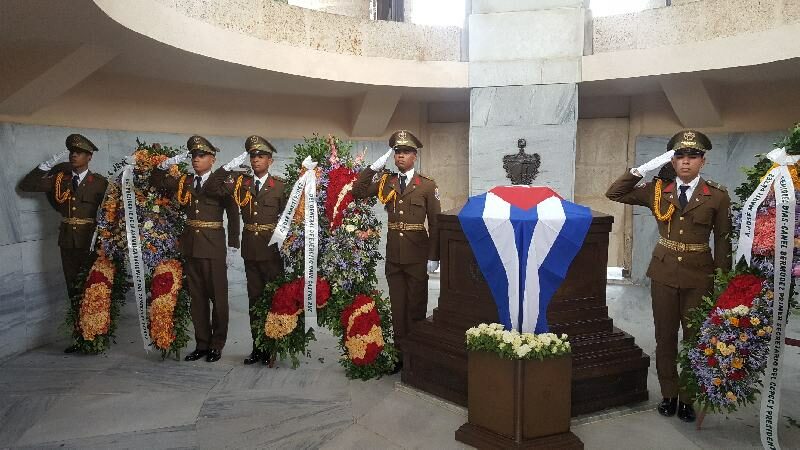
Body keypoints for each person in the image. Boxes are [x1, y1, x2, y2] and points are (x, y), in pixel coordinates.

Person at [605, 130, 732, 423]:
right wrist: (642, 169)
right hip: (663, 273)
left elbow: (724, 240)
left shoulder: (718, 196)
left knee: (693, 338)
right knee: (665, 338)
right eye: (680, 156)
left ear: (704, 161)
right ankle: (669, 394)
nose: (686, 162)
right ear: (672, 161)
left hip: (699, 276)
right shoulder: (658, 190)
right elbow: (615, 193)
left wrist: (722, 282)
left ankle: (687, 398)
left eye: (693, 156)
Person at [352, 130, 441, 370]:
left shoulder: (427, 185)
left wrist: (434, 256)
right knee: (398, 308)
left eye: (405, 152)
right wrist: (373, 168)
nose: (400, 156)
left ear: (415, 156)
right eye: (397, 152)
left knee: (416, 307)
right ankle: (400, 356)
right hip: (394, 255)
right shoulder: (386, 181)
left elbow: (435, 223)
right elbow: (357, 192)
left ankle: (418, 355)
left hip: (417, 255)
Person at [151, 135, 240, 363]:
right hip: (190, 247)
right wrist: (166, 163)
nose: (196, 160)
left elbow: (233, 214)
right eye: (193, 156)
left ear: (213, 159)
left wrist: (232, 246)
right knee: (197, 298)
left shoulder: (223, 182)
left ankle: (217, 344)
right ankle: (202, 343)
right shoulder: (186, 182)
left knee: (218, 299)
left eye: (201, 156)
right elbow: (157, 180)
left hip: (213, 247)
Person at [19, 134, 109, 353]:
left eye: (78, 153)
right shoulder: (61, 180)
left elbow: (109, 213)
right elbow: (27, 185)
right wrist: (46, 165)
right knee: (73, 290)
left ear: (89, 157)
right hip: (68, 241)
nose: (74, 155)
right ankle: (80, 337)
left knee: (94, 289)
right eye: (71, 152)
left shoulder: (100, 183)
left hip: (90, 242)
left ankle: (97, 336)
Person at [207, 135, 286, 366]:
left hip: (272, 252)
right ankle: (258, 348)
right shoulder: (241, 183)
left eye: (260, 156)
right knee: (255, 302)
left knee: (274, 302)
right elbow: (212, 186)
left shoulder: (279, 186)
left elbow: (289, 220)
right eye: (252, 156)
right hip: (251, 252)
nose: (255, 160)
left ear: (270, 160)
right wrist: (229, 166)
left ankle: (273, 348)